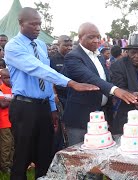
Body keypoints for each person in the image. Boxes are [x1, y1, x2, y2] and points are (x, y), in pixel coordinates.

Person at [4, 7, 99, 179]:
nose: (38, 28)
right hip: (24, 107)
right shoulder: (13, 46)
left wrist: (52, 106)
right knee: (22, 155)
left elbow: (46, 77)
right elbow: (37, 69)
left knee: (45, 154)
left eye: (39, 24)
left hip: (43, 107)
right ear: (21, 23)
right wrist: (70, 83)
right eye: (33, 24)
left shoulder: (40, 45)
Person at [62, 22, 137, 147]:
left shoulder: (100, 57)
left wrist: (128, 93)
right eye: (91, 37)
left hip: (102, 116)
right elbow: (91, 79)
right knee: (78, 158)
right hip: (80, 119)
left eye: (98, 37)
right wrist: (116, 90)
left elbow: (106, 81)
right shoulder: (73, 57)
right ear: (80, 38)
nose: (96, 40)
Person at [0, 69, 14, 174]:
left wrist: (9, 100)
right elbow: (2, 104)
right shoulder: (1, 89)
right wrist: (15, 99)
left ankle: (11, 164)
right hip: (4, 121)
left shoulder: (14, 89)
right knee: (6, 145)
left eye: (10, 77)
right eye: (6, 78)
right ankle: (5, 167)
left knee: (13, 144)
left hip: (14, 120)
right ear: (1, 78)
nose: (8, 80)